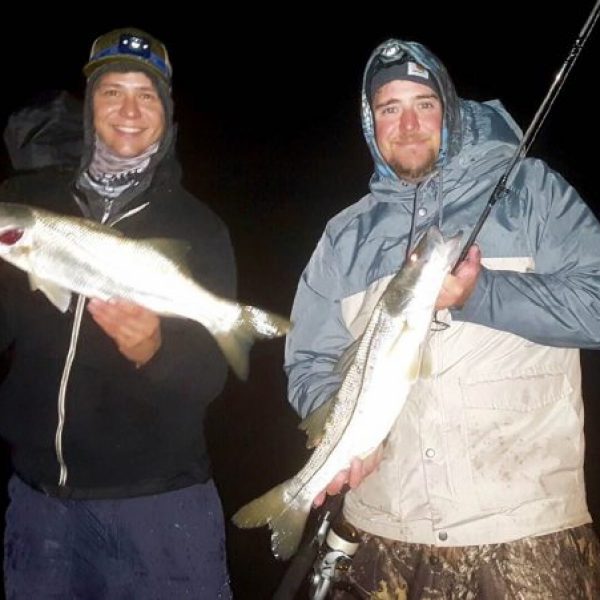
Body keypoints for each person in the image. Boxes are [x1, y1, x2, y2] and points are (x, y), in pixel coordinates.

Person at [285, 38, 600, 598]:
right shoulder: (344, 236)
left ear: (449, 110)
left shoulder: (532, 192)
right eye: (389, 108)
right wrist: (339, 437)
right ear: (370, 123)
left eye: (423, 104)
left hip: (524, 531)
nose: (407, 124)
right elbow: (311, 360)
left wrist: (482, 295)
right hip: (380, 534)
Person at [0, 28, 234, 598]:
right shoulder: (32, 200)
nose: (129, 110)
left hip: (158, 509)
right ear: (90, 109)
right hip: (38, 506)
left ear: (167, 113)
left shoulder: (197, 228)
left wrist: (155, 351)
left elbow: (210, 378)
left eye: (146, 95)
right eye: (111, 92)